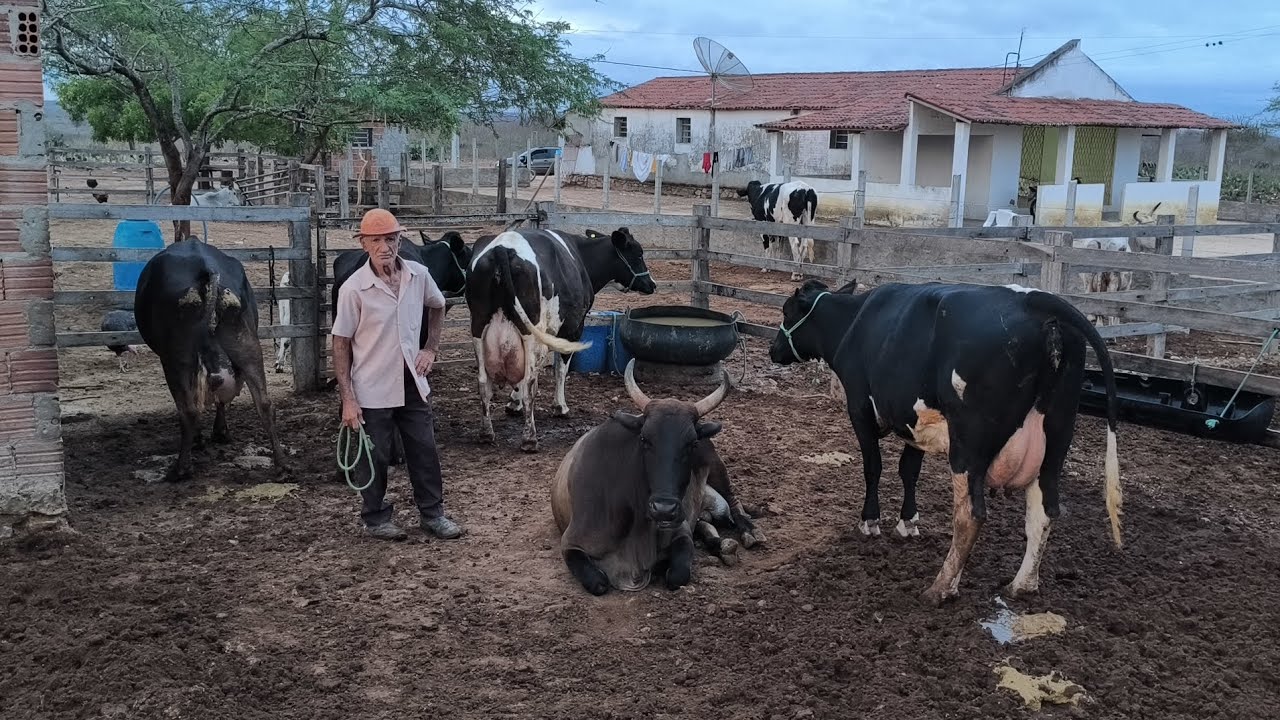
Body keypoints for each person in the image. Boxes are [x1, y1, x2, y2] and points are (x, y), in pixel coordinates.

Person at [331, 208, 463, 541]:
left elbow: (438, 305)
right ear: (364, 244)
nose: (385, 247)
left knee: (424, 448)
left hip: (412, 381)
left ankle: (432, 514)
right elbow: (341, 343)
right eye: (376, 240)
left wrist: (430, 348)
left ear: (400, 239)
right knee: (374, 455)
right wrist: (348, 399)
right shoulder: (354, 289)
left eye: (390, 238)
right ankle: (375, 518)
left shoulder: (418, 275)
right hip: (371, 385)